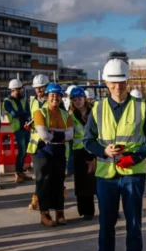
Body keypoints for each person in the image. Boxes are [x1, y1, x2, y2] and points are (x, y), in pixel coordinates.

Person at [84, 59, 146, 251]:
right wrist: (103, 151)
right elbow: (88, 141)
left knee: (133, 222)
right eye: (113, 82)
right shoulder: (97, 109)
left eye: (121, 81)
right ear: (106, 82)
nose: (117, 86)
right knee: (106, 223)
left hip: (132, 174)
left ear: (128, 81)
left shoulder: (141, 107)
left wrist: (135, 157)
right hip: (106, 175)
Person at [27, 83, 73, 227]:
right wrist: (60, 135)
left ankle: (60, 212)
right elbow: (44, 135)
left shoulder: (66, 114)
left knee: (59, 183)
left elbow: (71, 135)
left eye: (58, 96)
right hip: (42, 152)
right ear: (47, 97)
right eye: (52, 95)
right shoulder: (40, 113)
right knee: (44, 183)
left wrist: (53, 134)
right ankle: (44, 214)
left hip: (59, 151)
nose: (55, 98)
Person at [69, 86, 97, 220]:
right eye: (74, 100)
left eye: (79, 99)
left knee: (95, 183)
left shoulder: (94, 112)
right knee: (81, 184)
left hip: (93, 150)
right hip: (79, 152)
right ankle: (85, 211)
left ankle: (106, 209)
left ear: (84, 99)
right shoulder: (71, 116)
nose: (77, 102)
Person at [3, 78, 33, 183]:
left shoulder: (23, 99)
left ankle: (20, 172)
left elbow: (28, 113)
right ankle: (18, 172)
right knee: (22, 151)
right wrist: (22, 114)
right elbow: (14, 114)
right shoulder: (7, 102)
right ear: (14, 90)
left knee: (25, 151)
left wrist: (21, 115)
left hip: (26, 127)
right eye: (19, 89)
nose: (21, 91)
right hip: (18, 129)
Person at [28, 74, 50, 211]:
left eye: (41, 88)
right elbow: (32, 119)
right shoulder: (32, 102)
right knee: (39, 173)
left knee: (51, 173)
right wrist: (29, 124)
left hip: (50, 141)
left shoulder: (53, 100)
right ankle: (37, 199)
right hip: (37, 143)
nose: (38, 91)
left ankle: (54, 195)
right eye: (36, 88)